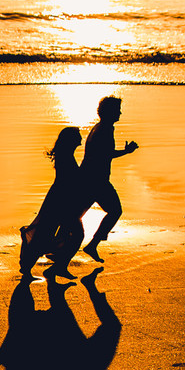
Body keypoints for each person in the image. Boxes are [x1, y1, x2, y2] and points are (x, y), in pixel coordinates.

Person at [19, 126, 89, 279]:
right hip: (61, 201)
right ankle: (56, 267)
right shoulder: (65, 156)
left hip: (60, 198)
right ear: (71, 140)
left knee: (46, 233)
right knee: (74, 234)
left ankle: (31, 266)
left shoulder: (66, 154)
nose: (81, 138)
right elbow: (69, 180)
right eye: (77, 136)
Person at [81, 96, 139, 262]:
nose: (120, 113)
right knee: (115, 211)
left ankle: (60, 248)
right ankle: (91, 245)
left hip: (90, 177)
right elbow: (105, 154)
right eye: (117, 110)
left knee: (75, 215)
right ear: (110, 112)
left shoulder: (100, 127)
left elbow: (103, 153)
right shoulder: (104, 129)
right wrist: (126, 152)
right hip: (96, 180)